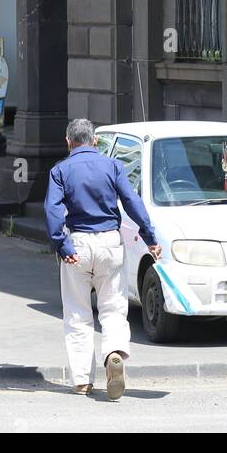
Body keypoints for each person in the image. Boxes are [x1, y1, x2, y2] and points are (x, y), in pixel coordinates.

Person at [44, 118, 161, 399]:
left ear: (68, 141)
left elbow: (52, 211)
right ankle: (113, 354)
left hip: (78, 244)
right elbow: (133, 202)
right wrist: (150, 238)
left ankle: (82, 380)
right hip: (110, 242)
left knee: (77, 312)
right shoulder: (113, 166)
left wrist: (62, 246)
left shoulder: (60, 170)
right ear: (95, 141)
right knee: (113, 309)